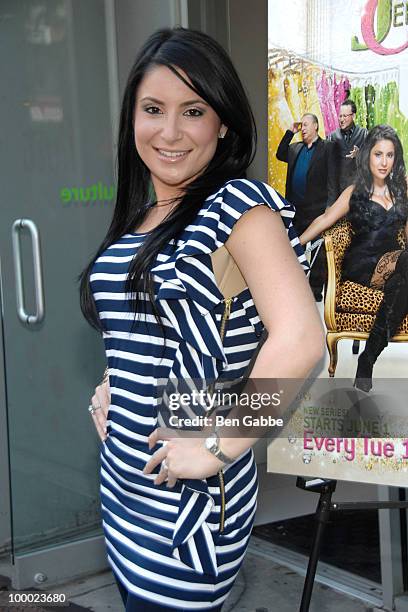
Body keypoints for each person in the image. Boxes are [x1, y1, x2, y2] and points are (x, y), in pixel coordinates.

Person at [78, 27, 323, 612]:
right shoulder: (145, 214)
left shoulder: (238, 206)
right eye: (153, 109)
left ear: (223, 124)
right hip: (124, 489)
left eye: (193, 110)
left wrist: (220, 443)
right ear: (131, 118)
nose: (169, 131)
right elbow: (160, 331)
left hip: (186, 508)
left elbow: (301, 339)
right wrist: (117, 385)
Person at [300, 125, 408, 392]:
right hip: (362, 264)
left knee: (401, 283)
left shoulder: (402, 192)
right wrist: (295, 243)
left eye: (390, 155)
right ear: (367, 155)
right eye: (378, 154)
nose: (384, 162)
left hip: (397, 263)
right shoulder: (354, 191)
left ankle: (366, 360)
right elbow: (325, 219)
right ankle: (367, 362)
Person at [276, 114, 338, 301]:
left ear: (316, 126)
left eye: (306, 125)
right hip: (295, 209)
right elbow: (280, 154)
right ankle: (297, 286)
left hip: (317, 209)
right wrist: (290, 132)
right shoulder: (295, 148)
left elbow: (332, 178)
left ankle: (315, 289)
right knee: (296, 248)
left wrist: (330, 206)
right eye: (301, 125)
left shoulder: (327, 148)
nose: (303, 128)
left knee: (318, 254)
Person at [327, 99, 368, 193]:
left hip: (359, 189)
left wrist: (359, 154)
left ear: (353, 116)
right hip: (338, 191)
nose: (341, 119)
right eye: (340, 116)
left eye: (345, 116)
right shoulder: (332, 136)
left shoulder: (364, 133)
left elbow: (372, 158)